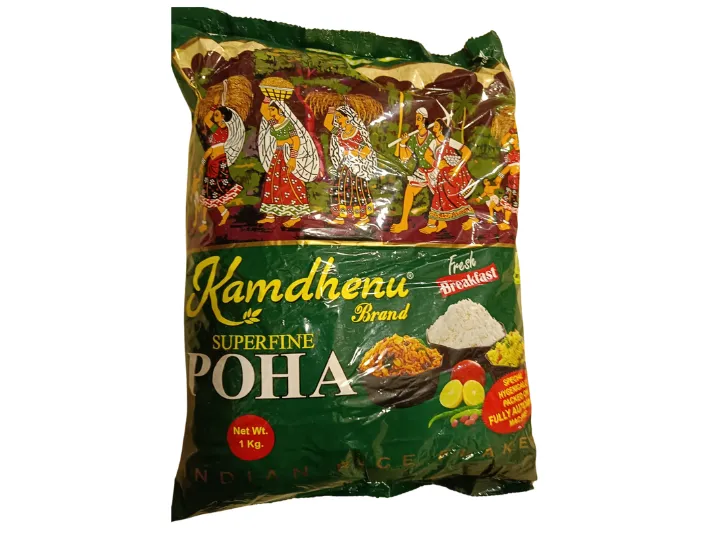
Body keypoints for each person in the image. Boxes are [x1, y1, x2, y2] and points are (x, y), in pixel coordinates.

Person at [256, 98, 318, 228]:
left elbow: (296, 141)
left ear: (280, 110)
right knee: (273, 183)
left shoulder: (287, 123)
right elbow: (263, 110)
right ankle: (270, 215)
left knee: (291, 183)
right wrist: (266, 97)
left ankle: (295, 215)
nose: (270, 112)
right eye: (270, 109)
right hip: (278, 154)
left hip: (287, 155)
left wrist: (292, 158)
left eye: (273, 109)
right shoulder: (274, 122)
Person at [420, 118, 478, 234]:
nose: (434, 129)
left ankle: (472, 218)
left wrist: (457, 168)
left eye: (436, 126)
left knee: (452, 196)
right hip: (442, 174)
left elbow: (467, 152)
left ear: (441, 128)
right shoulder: (434, 142)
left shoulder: (450, 141)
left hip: (452, 174)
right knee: (440, 196)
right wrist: (436, 163)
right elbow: (427, 155)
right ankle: (437, 223)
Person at [196, 96, 245, 233]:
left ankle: (209, 220)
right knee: (208, 191)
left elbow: (212, 148)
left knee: (212, 191)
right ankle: (216, 216)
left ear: (223, 117)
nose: (214, 116)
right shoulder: (217, 129)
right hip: (212, 162)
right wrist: (215, 105)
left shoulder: (225, 130)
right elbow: (207, 119)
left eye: (217, 114)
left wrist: (202, 162)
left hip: (218, 163)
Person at [323, 105, 377, 226]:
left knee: (357, 190)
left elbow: (367, 150)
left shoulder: (356, 131)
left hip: (356, 166)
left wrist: (355, 153)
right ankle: (340, 216)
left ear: (347, 117)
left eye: (339, 117)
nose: (337, 120)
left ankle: (364, 217)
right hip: (344, 166)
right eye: (336, 117)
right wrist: (331, 110)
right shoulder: (340, 132)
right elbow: (327, 124)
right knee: (339, 189)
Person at [390, 107, 435, 233]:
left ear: (424, 120)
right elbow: (404, 157)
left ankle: (438, 223)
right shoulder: (414, 138)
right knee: (409, 190)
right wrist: (403, 143)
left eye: (419, 119)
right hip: (422, 171)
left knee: (439, 196)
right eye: (416, 118)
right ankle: (404, 222)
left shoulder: (432, 138)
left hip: (434, 170)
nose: (416, 122)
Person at [493, 128, 520, 230]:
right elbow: (504, 142)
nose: (512, 141)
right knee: (509, 201)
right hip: (511, 182)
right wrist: (499, 176)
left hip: (519, 181)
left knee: (516, 201)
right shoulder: (512, 153)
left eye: (514, 139)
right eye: (512, 139)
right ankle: (506, 222)